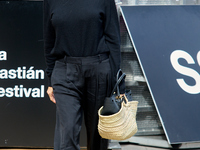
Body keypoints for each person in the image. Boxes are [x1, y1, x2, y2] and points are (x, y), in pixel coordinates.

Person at [43, 0, 125, 149]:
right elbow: (49, 40)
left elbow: (113, 39)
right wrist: (50, 80)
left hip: (99, 70)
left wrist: (116, 82)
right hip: (64, 70)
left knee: (97, 135)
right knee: (66, 132)